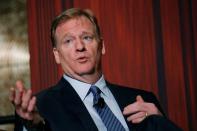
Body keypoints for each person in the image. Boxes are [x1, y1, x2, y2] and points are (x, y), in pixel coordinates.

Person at [10, 8, 182, 131]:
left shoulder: (142, 100)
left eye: (87, 37)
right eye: (68, 41)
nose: (79, 46)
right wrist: (32, 126)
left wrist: (161, 122)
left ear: (102, 46)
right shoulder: (40, 107)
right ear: (57, 54)